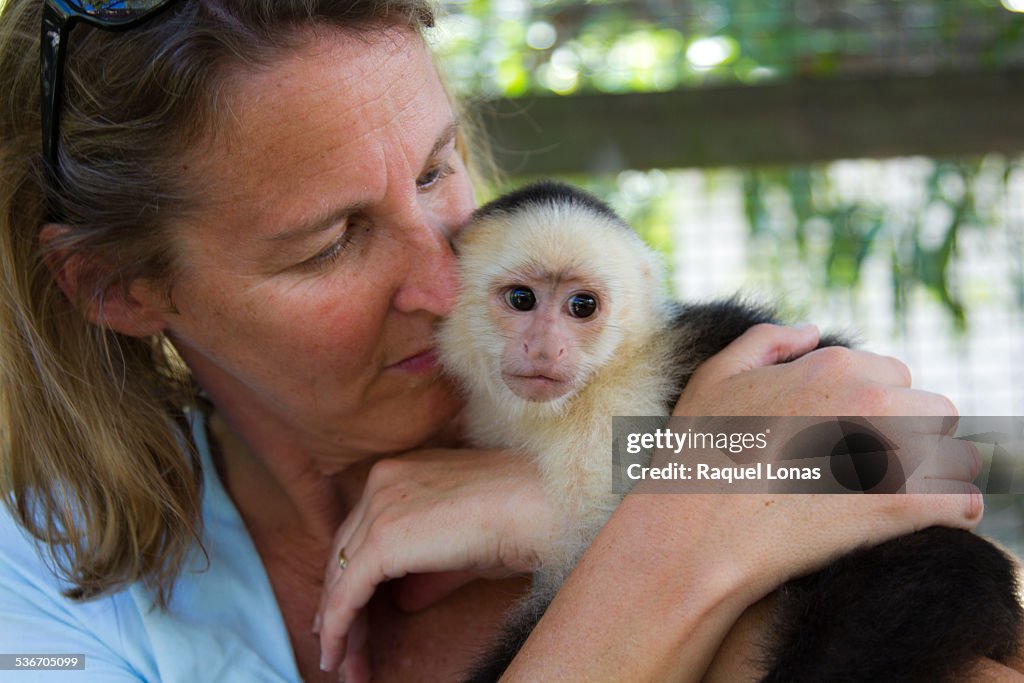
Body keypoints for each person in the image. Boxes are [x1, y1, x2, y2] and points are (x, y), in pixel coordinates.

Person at [0, 1, 982, 681]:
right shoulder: (40, 579)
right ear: (120, 288)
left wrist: (555, 499)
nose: (444, 278)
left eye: (435, 173)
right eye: (332, 241)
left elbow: (928, 453)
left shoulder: (572, 339)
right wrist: (662, 540)